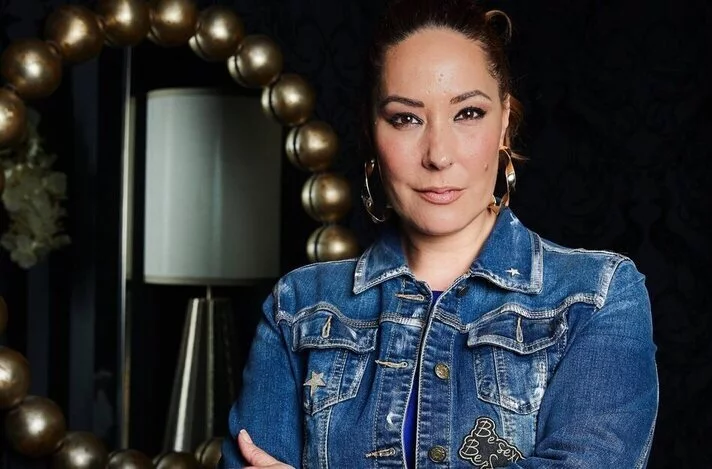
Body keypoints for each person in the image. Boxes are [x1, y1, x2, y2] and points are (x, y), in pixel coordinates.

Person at [219, 0, 659, 467]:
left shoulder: (596, 297)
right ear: (371, 130)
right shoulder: (298, 307)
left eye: (468, 113)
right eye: (405, 118)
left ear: (504, 121)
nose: (438, 155)